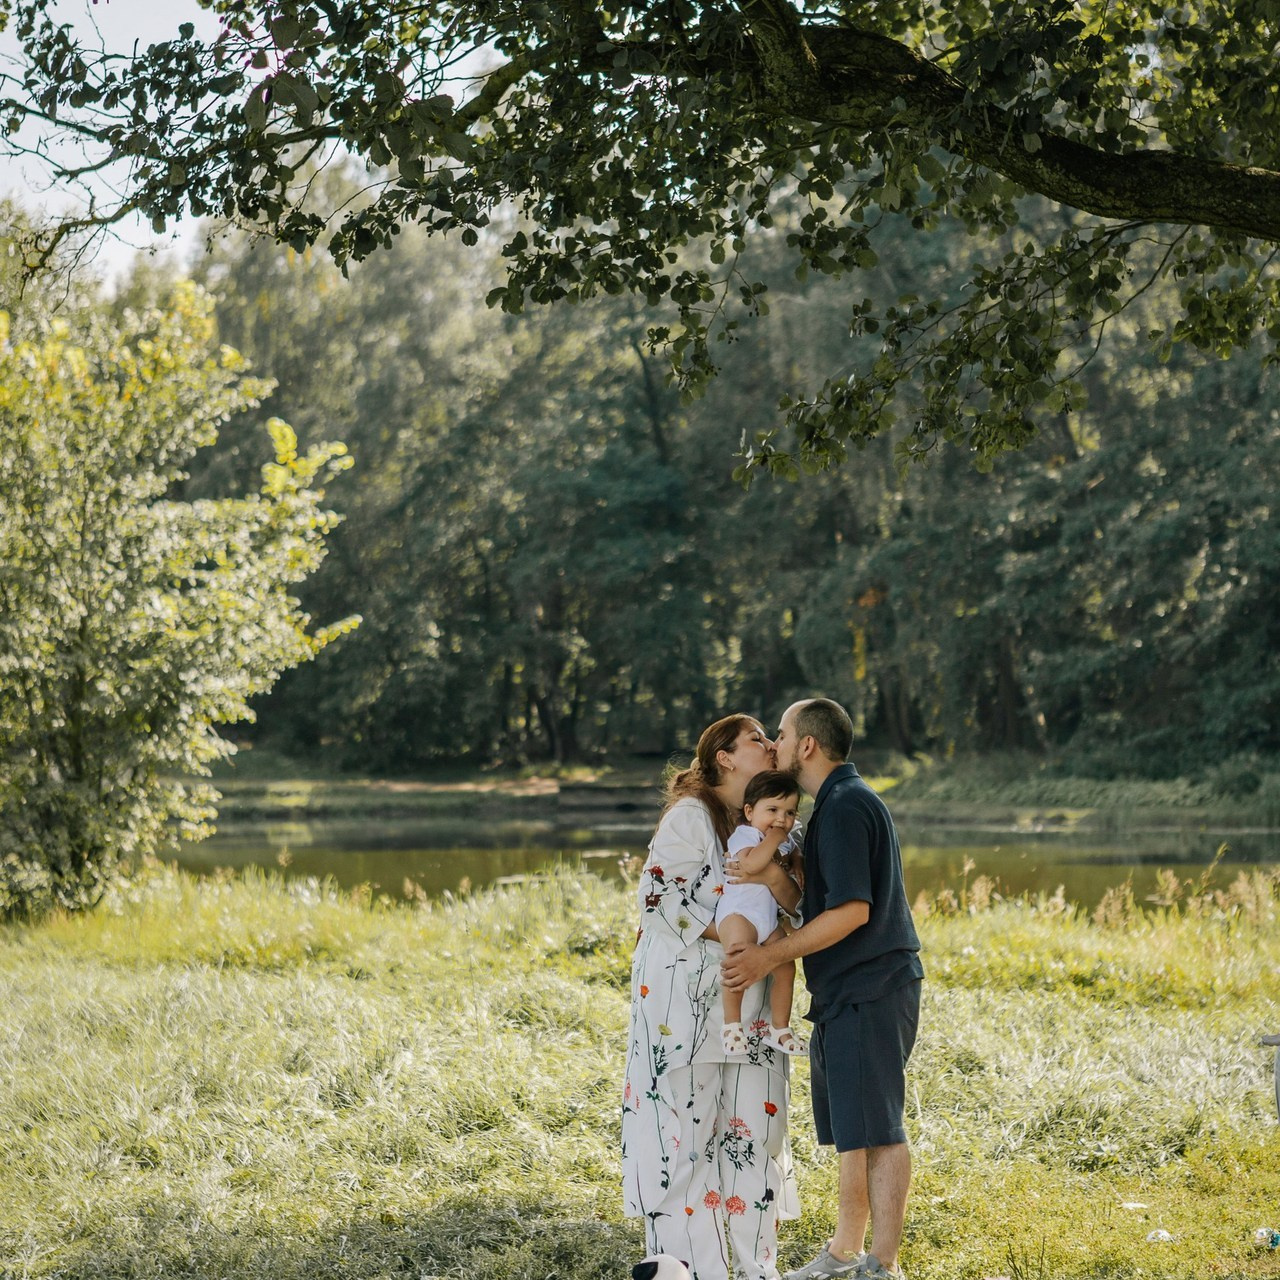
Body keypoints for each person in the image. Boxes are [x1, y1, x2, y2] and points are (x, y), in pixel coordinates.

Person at [721, 699, 924, 1280]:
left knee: (878, 1127)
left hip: (871, 985)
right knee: (856, 1128)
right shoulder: (834, 805)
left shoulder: (843, 808)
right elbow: (814, 902)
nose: (775, 745)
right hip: (847, 989)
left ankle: (880, 1264)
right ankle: (844, 1252)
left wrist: (769, 955)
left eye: (781, 734)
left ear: (806, 745)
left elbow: (853, 911)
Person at [622, 714, 805, 1280]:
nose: (772, 745)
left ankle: (759, 1269)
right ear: (724, 757)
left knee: (755, 1133)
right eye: (758, 738)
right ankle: (688, 1268)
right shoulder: (690, 817)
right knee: (685, 1136)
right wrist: (734, 936)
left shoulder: (772, 820)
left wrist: (763, 943)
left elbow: (792, 904)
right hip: (684, 1002)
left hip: (750, 999)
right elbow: (657, 900)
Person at [716, 770, 807, 1058]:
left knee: (786, 966)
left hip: (767, 919)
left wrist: (796, 861)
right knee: (736, 959)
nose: (781, 819)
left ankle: (779, 1029)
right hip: (739, 913)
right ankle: (731, 1026)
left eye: (790, 812)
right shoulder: (746, 834)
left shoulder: (781, 839)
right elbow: (753, 864)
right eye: (773, 810)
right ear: (749, 811)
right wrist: (778, 837)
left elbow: (793, 851)